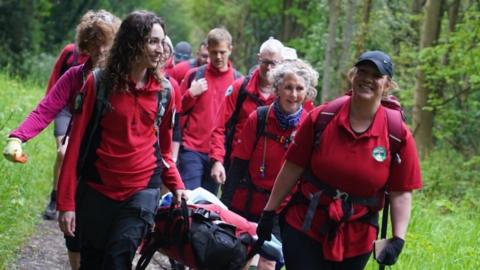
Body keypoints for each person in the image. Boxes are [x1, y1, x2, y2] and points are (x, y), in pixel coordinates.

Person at [257, 51, 422, 270]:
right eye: (362, 72)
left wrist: (398, 238)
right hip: (306, 225)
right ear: (352, 75)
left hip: (358, 237)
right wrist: (269, 212)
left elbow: (401, 191)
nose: (367, 79)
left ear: (388, 85)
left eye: (376, 75)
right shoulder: (323, 117)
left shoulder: (396, 134)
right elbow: (293, 166)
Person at [56, 10, 187, 269]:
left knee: (118, 261)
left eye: (162, 42)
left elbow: (163, 150)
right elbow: (76, 145)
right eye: (152, 41)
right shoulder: (98, 83)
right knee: (92, 262)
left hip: (140, 192)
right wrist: (66, 203)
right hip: (96, 190)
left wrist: (177, 185)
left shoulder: (166, 92)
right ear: (131, 42)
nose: (161, 49)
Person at [3, 10, 120, 270]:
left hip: (115, 168)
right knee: (75, 237)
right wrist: (17, 137)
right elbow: (46, 109)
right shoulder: (75, 76)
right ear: (86, 45)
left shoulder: (124, 81)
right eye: (94, 43)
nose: (100, 50)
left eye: (107, 43)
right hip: (80, 165)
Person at [222, 59, 318, 270]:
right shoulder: (259, 118)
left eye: (300, 88)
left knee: (268, 262)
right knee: (234, 259)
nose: (293, 94)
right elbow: (238, 164)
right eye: (288, 88)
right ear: (277, 88)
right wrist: (224, 204)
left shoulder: (310, 126)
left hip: (281, 209)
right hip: (245, 202)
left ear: (308, 91)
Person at [209, 37, 284, 185]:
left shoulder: (286, 93)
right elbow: (219, 127)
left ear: (282, 62)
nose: (269, 68)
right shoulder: (240, 88)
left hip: (271, 172)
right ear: (258, 59)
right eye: (265, 62)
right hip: (237, 166)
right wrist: (217, 160)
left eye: (273, 63)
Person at [177, 27, 241, 195]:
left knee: (207, 206)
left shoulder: (238, 82)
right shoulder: (195, 75)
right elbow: (178, 110)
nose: (218, 57)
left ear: (230, 50)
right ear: (207, 50)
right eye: (214, 52)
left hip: (219, 153)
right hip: (192, 148)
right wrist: (191, 94)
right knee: (189, 200)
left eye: (222, 52)